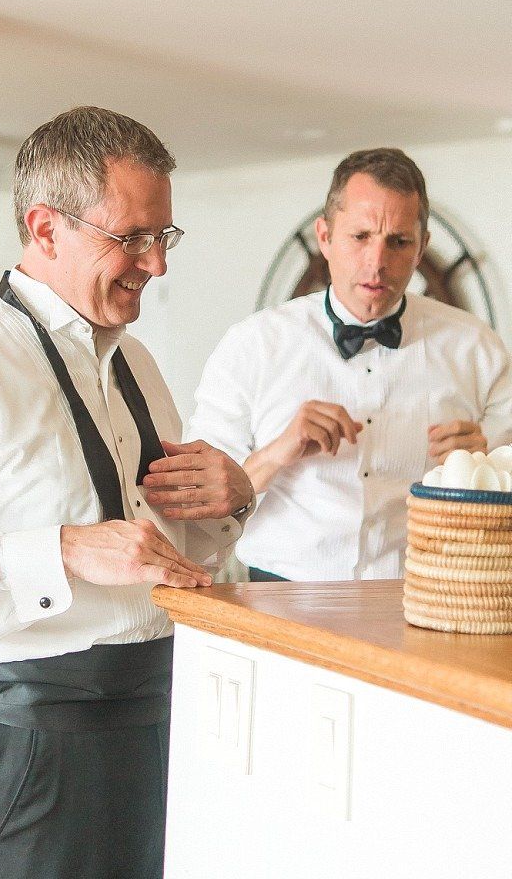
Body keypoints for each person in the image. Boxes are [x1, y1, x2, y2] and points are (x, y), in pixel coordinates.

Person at [0, 107, 255, 879]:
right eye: (130, 237)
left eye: (163, 236)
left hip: (160, 713)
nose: (156, 265)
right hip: (34, 738)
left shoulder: (140, 367)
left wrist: (229, 502)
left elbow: (160, 551)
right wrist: (61, 552)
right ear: (45, 228)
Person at [189, 147, 512, 583]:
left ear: (422, 249)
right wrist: (277, 452)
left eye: (398, 242)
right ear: (324, 237)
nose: (377, 262)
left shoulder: (477, 349)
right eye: (360, 237)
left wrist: (485, 464)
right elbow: (198, 498)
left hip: (421, 594)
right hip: (279, 596)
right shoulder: (252, 346)